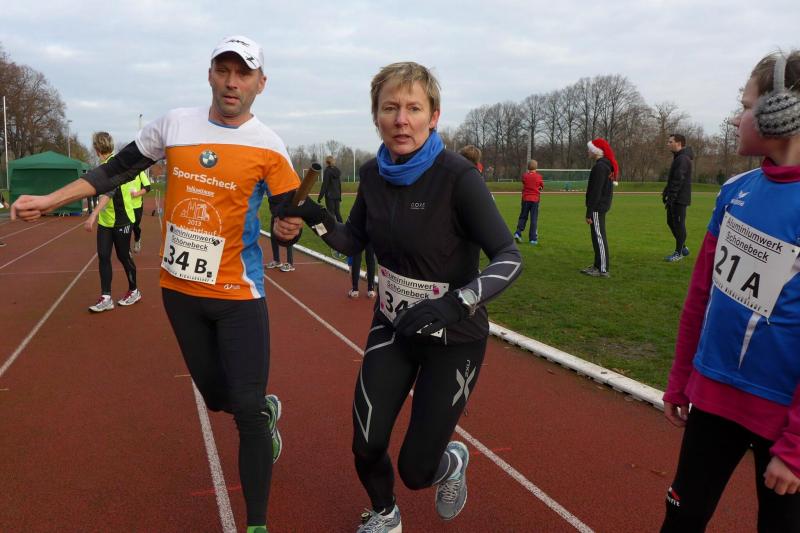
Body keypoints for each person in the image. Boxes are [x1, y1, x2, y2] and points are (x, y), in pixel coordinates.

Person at [11, 35, 298, 533]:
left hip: (239, 296)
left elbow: (289, 211)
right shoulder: (173, 125)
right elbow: (111, 171)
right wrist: (51, 200)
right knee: (218, 398)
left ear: (261, 83)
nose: (232, 82)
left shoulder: (269, 145)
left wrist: (290, 227)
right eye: (223, 70)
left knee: (247, 412)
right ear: (209, 74)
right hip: (181, 294)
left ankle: (257, 523)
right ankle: (260, 411)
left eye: (243, 73)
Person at [274, 61, 522, 532]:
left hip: (454, 338)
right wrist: (315, 217)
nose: (401, 120)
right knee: (366, 443)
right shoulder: (372, 175)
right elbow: (352, 240)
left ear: (434, 116)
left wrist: (455, 303)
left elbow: (509, 257)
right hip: (393, 328)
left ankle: (450, 462)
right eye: (390, 108)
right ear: (376, 117)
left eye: (414, 108)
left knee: (416, 471)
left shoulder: (458, 178)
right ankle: (385, 514)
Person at [661, 50, 800, 532]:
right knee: (681, 519)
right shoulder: (734, 191)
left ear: (781, 111)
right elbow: (702, 295)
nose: (737, 118)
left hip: (784, 419)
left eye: (745, 106)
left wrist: (796, 448)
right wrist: (681, 376)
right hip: (713, 398)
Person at [83, 132, 141, 312]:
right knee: (103, 256)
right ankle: (106, 297)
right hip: (106, 221)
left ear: (96, 148)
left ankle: (134, 291)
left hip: (122, 219)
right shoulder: (102, 167)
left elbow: (109, 192)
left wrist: (93, 214)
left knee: (124, 256)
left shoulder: (115, 165)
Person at [581, 137, 617, 278]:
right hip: (599, 206)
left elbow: (596, 191)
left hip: (597, 207)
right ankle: (597, 265)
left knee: (599, 237)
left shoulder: (600, 167)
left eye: (590, 149)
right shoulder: (603, 165)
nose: (588, 151)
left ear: (597, 151)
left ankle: (602, 269)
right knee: (597, 236)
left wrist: (589, 211)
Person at [662, 133, 693, 262]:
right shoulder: (678, 157)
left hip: (679, 199)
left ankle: (678, 252)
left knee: (679, 225)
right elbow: (673, 179)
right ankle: (683, 248)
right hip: (675, 198)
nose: (668, 144)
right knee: (670, 222)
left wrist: (672, 197)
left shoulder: (683, 159)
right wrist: (666, 192)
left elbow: (678, 180)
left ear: (679, 143)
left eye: (671, 142)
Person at [513, 159, 544, 245]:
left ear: (528, 167)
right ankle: (533, 239)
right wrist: (538, 188)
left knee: (523, 216)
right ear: (536, 167)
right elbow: (541, 186)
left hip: (525, 199)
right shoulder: (539, 177)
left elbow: (524, 182)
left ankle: (518, 232)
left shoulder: (525, 176)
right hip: (535, 200)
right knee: (533, 219)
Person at [129, 169, 152, 254]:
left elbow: (147, 187)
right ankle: (127, 250)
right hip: (125, 206)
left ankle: (137, 238)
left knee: (135, 226)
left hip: (137, 206)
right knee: (126, 228)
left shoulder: (139, 172)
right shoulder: (123, 172)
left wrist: (137, 194)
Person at [319, 155, 343, 223]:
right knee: (337, 212)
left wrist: (320, 197)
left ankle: (333, 228)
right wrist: (339, 196)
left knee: (331, 213)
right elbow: (339, 185)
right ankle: (342, 227)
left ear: (327, 162)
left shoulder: (327, 171)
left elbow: (325, 184)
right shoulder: (337, 171)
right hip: (337, 195)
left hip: (330, 196)